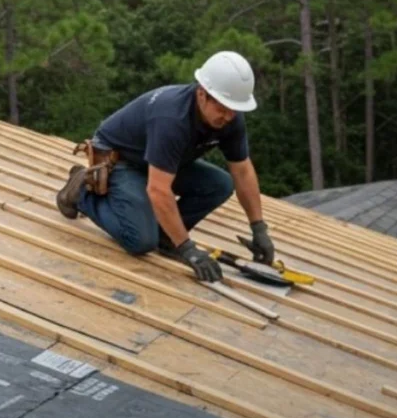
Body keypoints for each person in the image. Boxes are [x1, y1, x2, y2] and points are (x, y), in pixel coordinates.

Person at [56, 50, 275, 283]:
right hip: (121, 160)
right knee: (140, 241)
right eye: (222, 109)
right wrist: (188, 249)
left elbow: (242, 171)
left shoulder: (229, 118)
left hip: (160, 162)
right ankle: (80, 193)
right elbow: (158, 190)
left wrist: (259, 228)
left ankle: (166, 237)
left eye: (234, 110)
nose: (228, 116)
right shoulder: (172, 119)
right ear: (202, 94)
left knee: (220, 185)